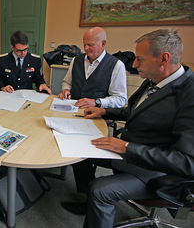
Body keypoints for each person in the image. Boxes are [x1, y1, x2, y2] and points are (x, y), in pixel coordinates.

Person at [61, 28, 194, 228]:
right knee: (80, 152)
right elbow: (136, 112)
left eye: (140, 59)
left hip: (157, 172)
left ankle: (95, 201)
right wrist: (104, 111)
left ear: (164, 59)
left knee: (100, 190)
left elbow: (188, 163)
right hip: (132, 151)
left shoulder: (189, 97)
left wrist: (126, 147)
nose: (134, 64)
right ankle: (88, 202)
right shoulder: (153, 81)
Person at [58, 27, 127, 108]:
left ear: (103, 44)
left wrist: (97, 102)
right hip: (73, 109)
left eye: (90, 45)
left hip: (98, 114)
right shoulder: (76, 60)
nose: (85, 48)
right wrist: (66, 90)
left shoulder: (117, 65)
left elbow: (120, 99)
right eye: (84, 44)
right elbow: (67, 83)